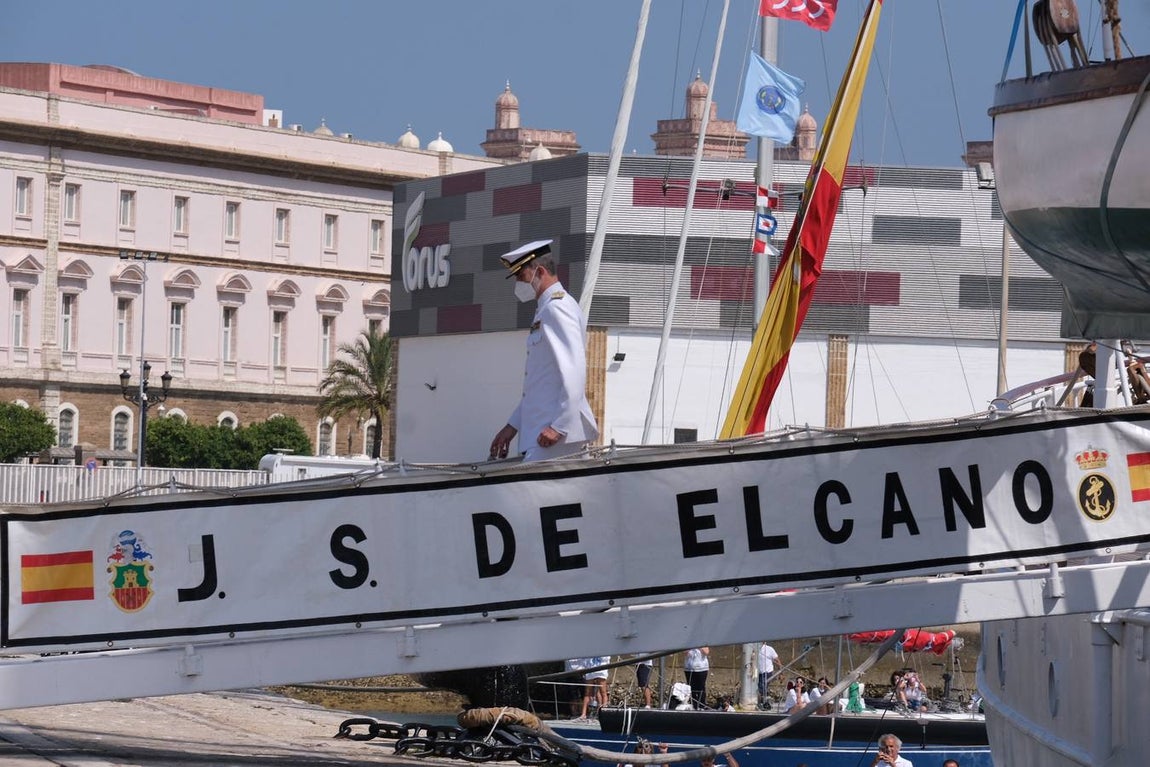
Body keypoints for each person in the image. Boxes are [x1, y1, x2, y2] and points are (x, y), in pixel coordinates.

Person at [489, 240, 599, 462]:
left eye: (521, 277)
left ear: (538, 271)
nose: (519, 285)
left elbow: (574, 370)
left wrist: (560, 426)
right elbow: (540, 383)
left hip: (555, 434)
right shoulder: (545, 310)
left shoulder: (558, 308)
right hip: (542, 432)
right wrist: (512, 426)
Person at [580, 655, 610, 720]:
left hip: (601, 670)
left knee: (603, 692)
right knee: (587, 693)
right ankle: (583, 714)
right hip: (590, 669)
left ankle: (604, 713)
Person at [756, 642, 781, 708]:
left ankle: (762, 703)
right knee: (758, 687)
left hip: (767, 672)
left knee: (762, 687)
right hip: (758, 672)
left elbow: (777, 660)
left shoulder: (769, 649)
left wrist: (780, 671)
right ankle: (763, 701)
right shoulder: (755, 649)